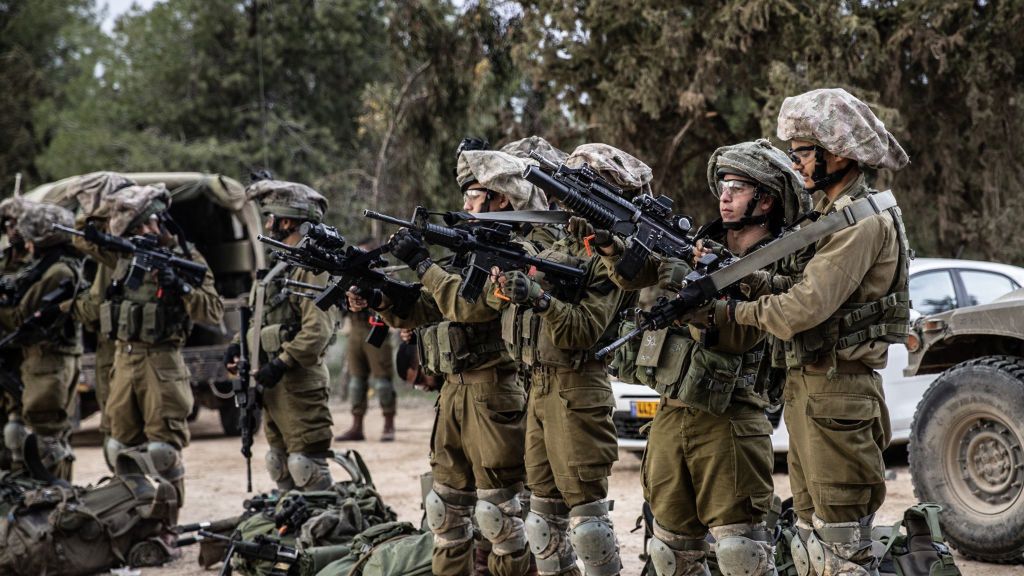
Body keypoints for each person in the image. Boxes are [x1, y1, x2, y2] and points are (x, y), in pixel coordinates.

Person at [707, 88, 911, 575]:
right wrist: (745, 277)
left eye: (803, 153)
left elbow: (802, 307)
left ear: (836, 152)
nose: (797, 164)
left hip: (837, 395)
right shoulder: (832, 216)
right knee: (809, 548)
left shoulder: (860, 222)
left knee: (840, 552)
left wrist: (732, 313)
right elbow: (795, 284)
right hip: (814, 394)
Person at [595, 140, 811, 576]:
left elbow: (743, 336)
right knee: (670, 554)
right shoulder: (695, 244)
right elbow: (636, 275)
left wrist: (705, 289)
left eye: (737, 186)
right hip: (672, 414)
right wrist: (614, 248)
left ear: (766, 198)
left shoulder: (780, 264)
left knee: (741, 556)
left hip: (730, 422)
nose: (724, 196)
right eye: (722, 186)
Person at [348, 143, 559, 576]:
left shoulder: (517, 253)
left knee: (500, 519)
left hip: (494, 394)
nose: (465, 202)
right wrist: (379, 298)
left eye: (475, 193)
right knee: (444, 514)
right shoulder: (471, 248)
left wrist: (422, 261)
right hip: (453, 394)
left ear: (500, 198)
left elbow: (470, 307)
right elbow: (428, 305)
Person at [487, 143, 646, 576]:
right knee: (542, 523)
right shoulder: (560, 242)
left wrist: (538, 297)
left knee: (587, 528)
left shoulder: (617, 258)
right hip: (538, 384)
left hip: (578, 390)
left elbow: (581, 331)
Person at [101, 184, 223, 502]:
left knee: (162, 453)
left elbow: (213, 310)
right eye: (137, 226)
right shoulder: (120, 255)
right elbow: (81, 239)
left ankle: (167, 525)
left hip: (163, 362)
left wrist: (180, 287)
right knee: (118, 450)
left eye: (150, 222)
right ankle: (131, 520)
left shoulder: (185, 257)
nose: (146, 231)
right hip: (124, 360)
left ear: (162, 221)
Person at [224, 179, 338, 492]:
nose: (268, 224)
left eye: (270, 217)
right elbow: (256, 319)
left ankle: (323, 535)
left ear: (286, 221)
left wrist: (282, 363)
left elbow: (317, 331)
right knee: (279, 464)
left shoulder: (313, 269)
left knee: (306, 466)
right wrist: (236, 348)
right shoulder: (278, 268)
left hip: (299, 382)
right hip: (270, 383)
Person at [0, 201, 83, 480]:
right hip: (43, 360)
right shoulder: (50, 267)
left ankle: (58, 501)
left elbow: (22, 318)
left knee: (47, 441)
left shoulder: (58, 271)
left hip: (49, 360)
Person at [67, 172, 138, 470]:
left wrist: (71, 306)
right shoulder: (112, 250)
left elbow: (95, 308)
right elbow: (82, 240)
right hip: (113, 347)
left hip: (126, 349)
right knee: (115, 430)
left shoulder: (126, 251)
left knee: (123, 432)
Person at [336, 238, 398, 443]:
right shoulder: (350, 274)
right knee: (356, 382)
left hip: (377, 327)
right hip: (355, 329)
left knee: (382, 383)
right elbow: (339, 303)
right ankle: (356, 426)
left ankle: (389, 425)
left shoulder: (383, 274)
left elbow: (394, 301)